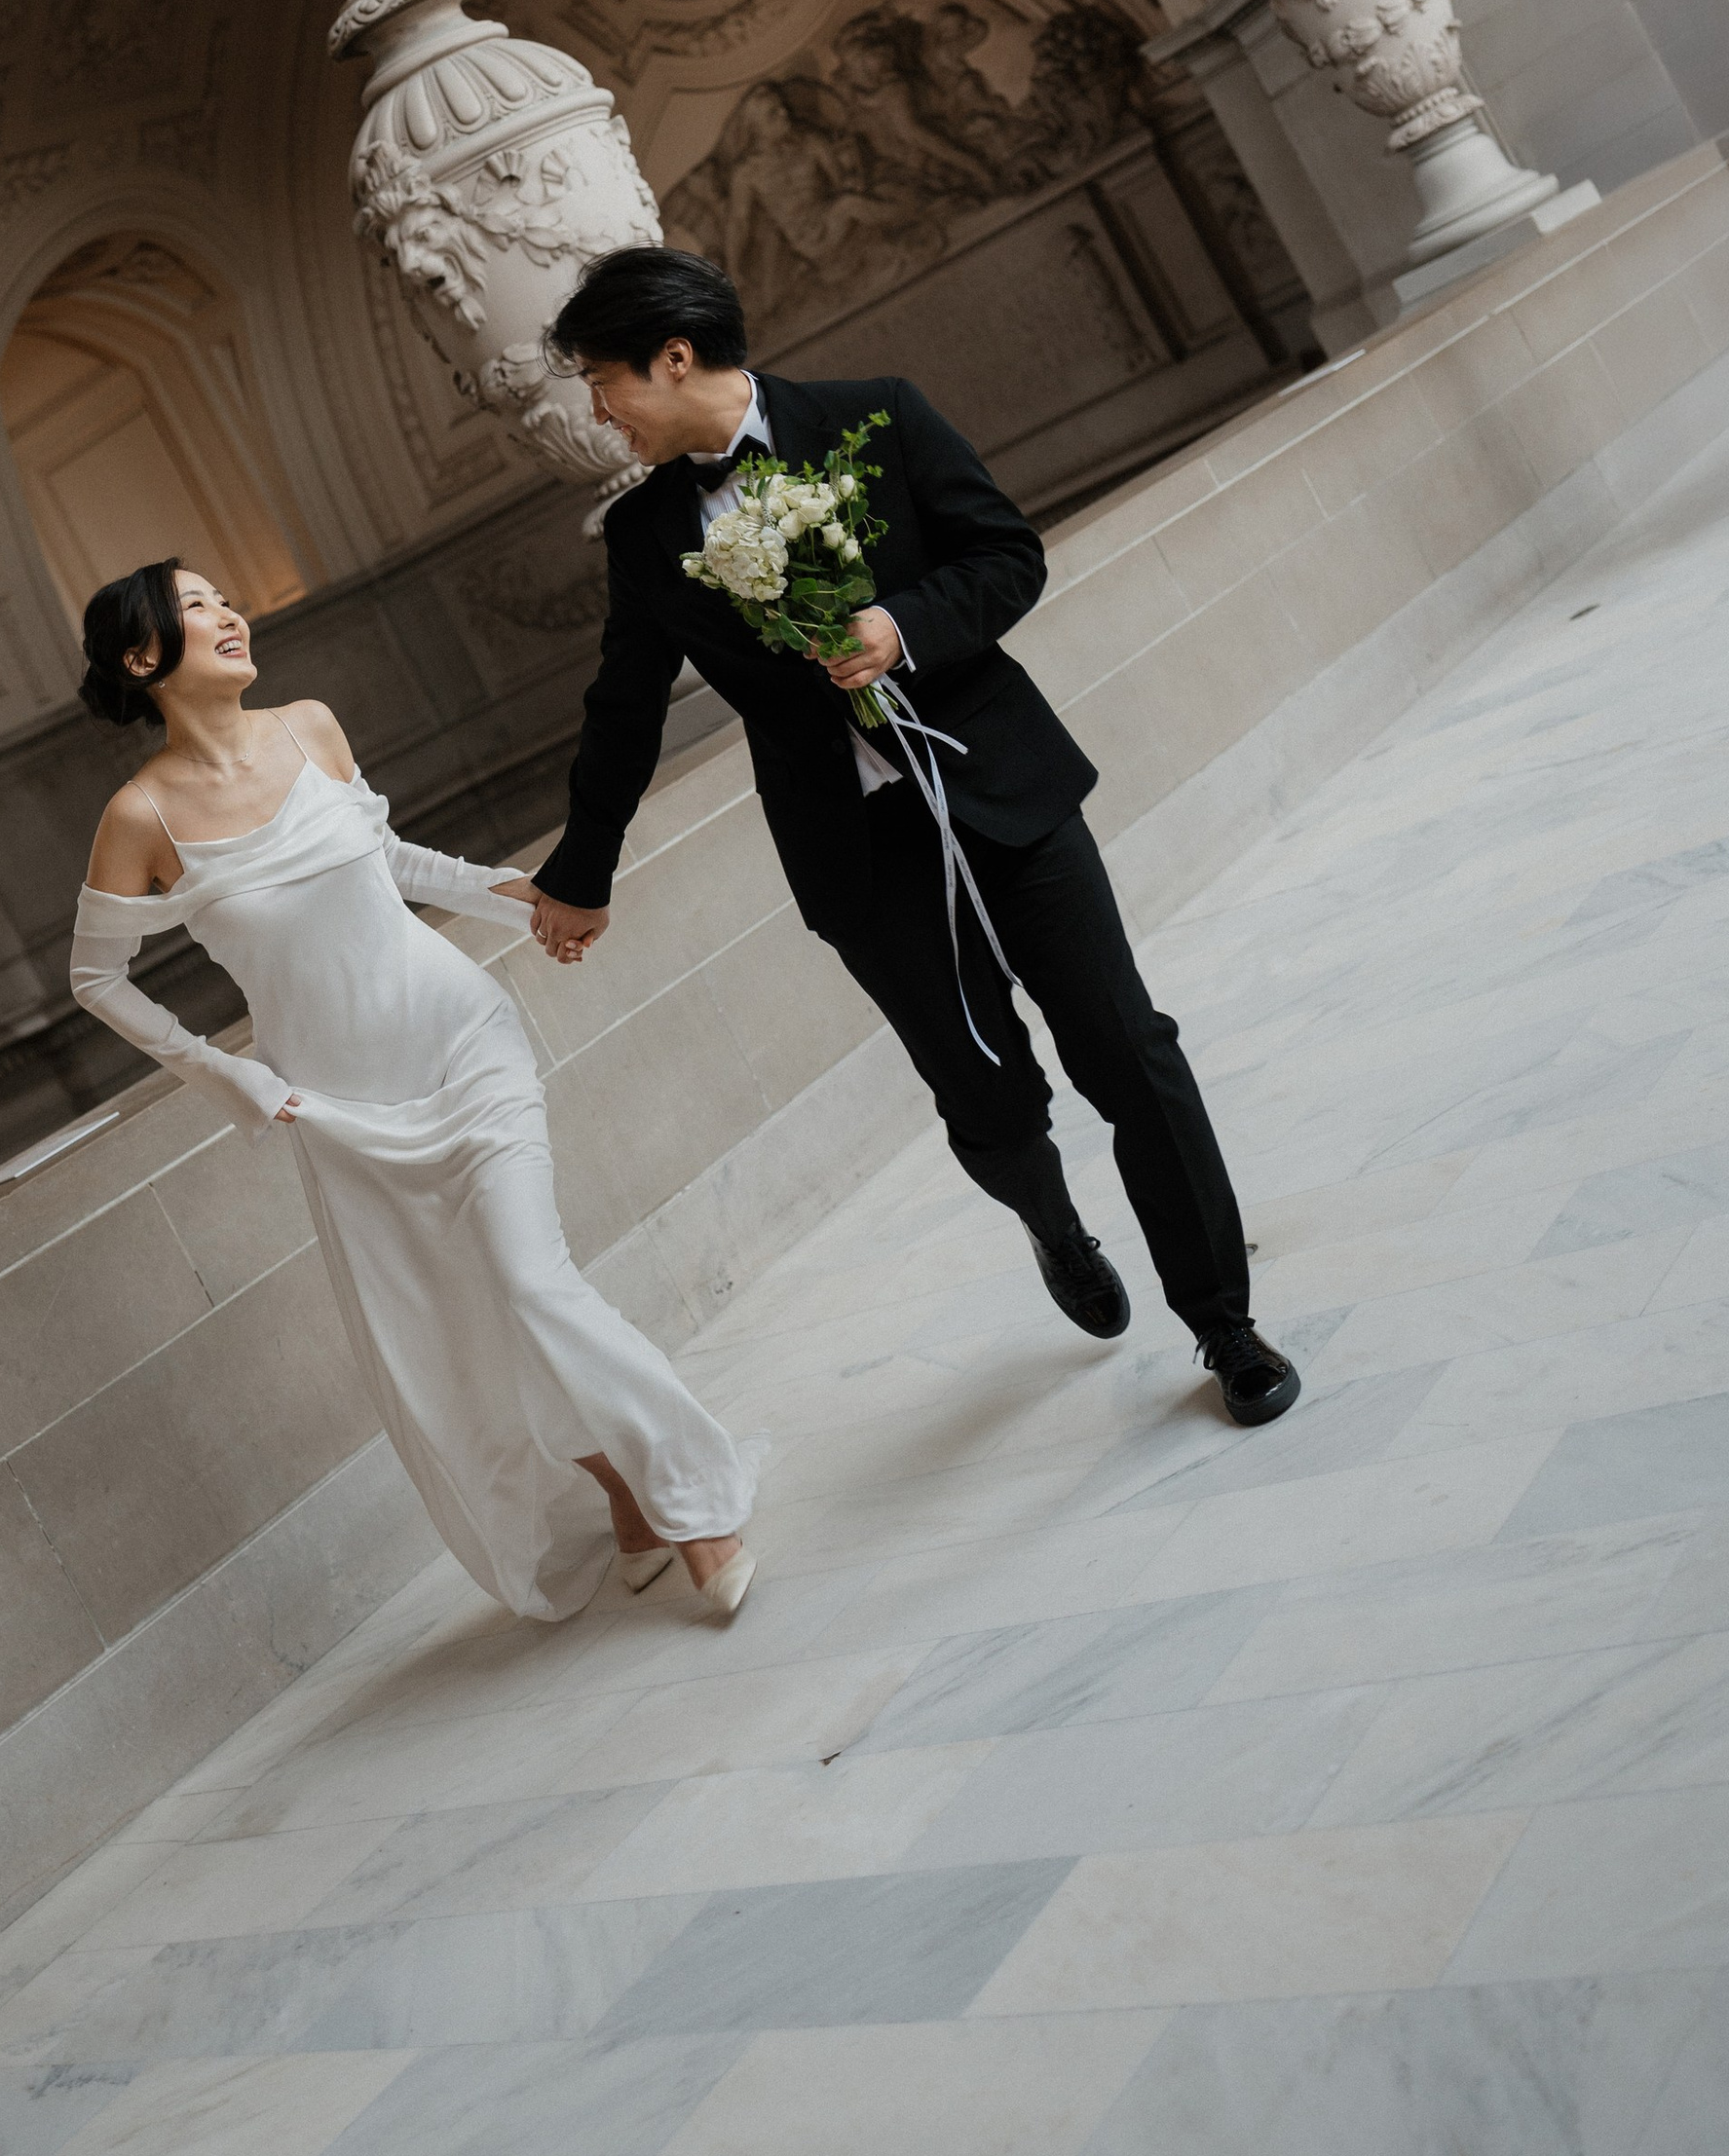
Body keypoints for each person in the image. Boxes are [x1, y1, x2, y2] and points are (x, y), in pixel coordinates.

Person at [527, 245, 1300, 1430]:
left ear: (672, 356)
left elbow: (1007, 556)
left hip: (1003, 791)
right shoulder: (645, 537)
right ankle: (1051, 1222)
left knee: (1127, 1050)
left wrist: (900, 625)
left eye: (602, 382)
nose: (598, 410)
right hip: (859, 850)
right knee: (983, 1096)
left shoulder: (876, 415)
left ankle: (1224, 1323)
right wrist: (580, 875)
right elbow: (622, 710)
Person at [66, 560, 759, 1623]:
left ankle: (695, 1502)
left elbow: (389, 862)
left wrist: (527, 900)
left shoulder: (310, 727)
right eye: (196, 605)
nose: (229, 612)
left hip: (457, 1041)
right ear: (142, 655)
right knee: (465, 1331)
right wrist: (233, 1078)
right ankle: (619, 1496)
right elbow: (94, 978)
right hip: (341, 1111)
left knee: (533, 1281)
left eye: (222, 595)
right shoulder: (141, 815)